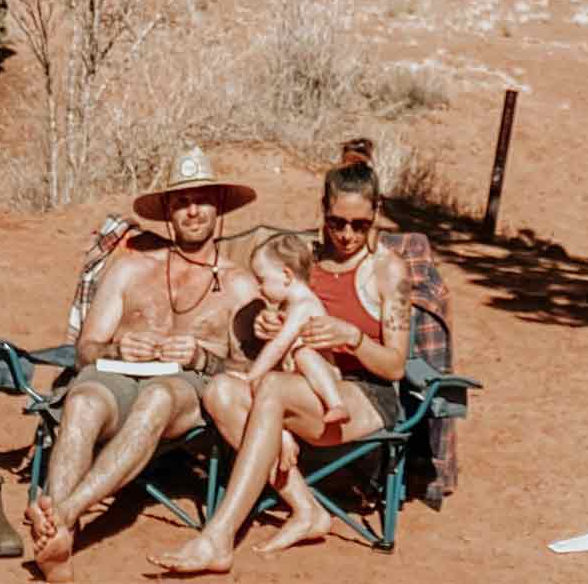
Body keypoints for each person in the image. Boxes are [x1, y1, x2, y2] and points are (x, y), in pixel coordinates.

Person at [149, 142, 412, 573]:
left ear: (378, 212)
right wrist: (267, 325)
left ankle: (217, 537)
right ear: (322, 210)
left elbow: (395, 367)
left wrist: (353, 338)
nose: (346, 235)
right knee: (220, 392)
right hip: (301, 384)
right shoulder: (305, 258)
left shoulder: (388, 271)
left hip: (364, 395)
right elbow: (281, 312)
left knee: (267, 388)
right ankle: (307, 510)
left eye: (360, 225)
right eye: (336, 222)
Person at [25, 147, 260, 583]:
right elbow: (84, 349)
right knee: (83, 401)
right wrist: (117, 349)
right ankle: (58, 545)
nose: (192, 210)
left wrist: (201, 356)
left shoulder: (240, 284)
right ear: (167, 210)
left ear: (219, 206)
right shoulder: (131, 268)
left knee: (158, 397)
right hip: (115, 379)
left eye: (202, 199)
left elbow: (248, 370)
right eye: (181, 201)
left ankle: (60, 514)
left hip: (184, 390)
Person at [241, 232, 350, 429]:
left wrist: (252, 376)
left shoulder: (304, 305)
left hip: (324, 378)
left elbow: (279, 345)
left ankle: (336, 404)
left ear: (286, 275)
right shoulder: (288, 307)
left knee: (304, 354)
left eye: (261, 280)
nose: (259, 289)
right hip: (300, 383)